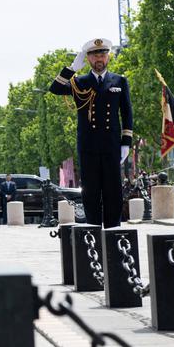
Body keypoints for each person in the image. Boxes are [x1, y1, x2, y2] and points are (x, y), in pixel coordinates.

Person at [48, 38, 133, 228]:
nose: (99, 59)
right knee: (91, 191)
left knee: (113, 191)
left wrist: (126, 142)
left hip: (112, 145)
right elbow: (54, 88)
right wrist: (71, 68)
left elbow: (127, 112)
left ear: (108, 57)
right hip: (88, 146)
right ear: (87, 59)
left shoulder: (119, 81)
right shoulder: (79, 82)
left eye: (103, 54)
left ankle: (113, 230)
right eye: (95, 56)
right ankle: (93, 229)